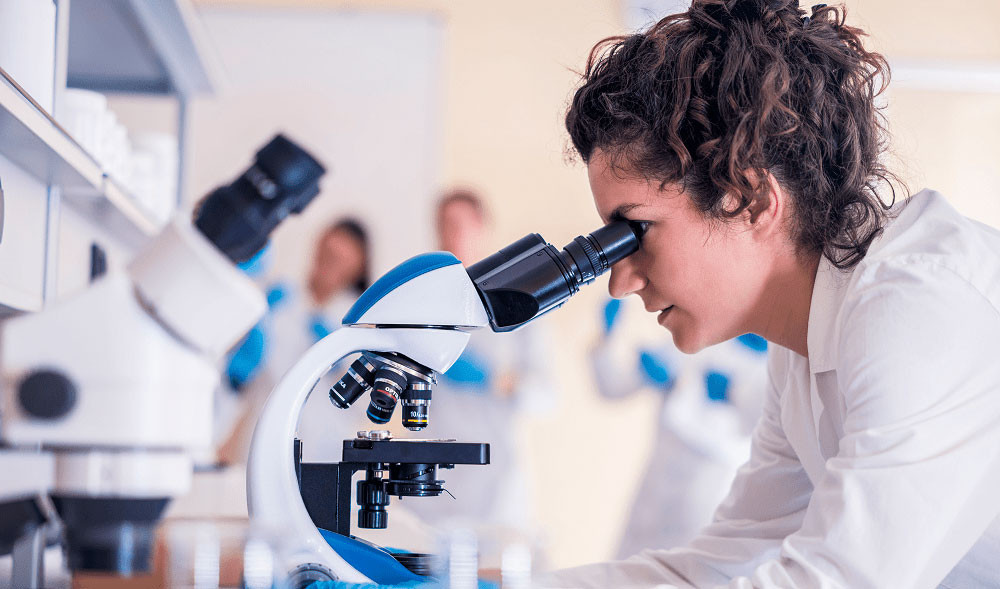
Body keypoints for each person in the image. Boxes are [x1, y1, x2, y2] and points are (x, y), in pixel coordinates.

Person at [541, 1, 1000, 587]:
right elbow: (717, 564)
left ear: (751, 199)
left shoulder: (919, 305)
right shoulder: (806, 342)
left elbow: (833, 580)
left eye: (636, 232)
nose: (621, 279)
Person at [402, 189, 555, 537]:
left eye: (458, 224)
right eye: (442, 225)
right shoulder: (421, 305)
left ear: (482, 228)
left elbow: (548, 397)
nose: (448, 234)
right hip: (432, 478)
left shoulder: (519, 302)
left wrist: (494, 380)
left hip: (494, 481)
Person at [592, 296, 768, 557]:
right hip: (660, 468)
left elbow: (775, 425)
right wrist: (607, 336)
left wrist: (733, 393)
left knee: (682, 565)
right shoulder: (700, 335)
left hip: (711, 482)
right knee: (628, 559)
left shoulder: (778, 367)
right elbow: (613, 387)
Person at [217, 218, 372, 464]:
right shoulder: (281, 301)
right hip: (264, 439)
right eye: (327, 254)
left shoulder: (360, 325)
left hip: (324, 450)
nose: (330, 265)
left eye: (340, 260)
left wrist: (341, 359)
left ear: (358, 268)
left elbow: (367, 405)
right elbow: (247, 373)